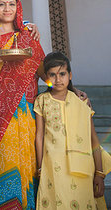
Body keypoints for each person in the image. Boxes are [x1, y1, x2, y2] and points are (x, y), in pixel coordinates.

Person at [0, 0, 46, 209]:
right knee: (4, 163)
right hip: (0, 111)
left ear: (19, 8)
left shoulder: (28, 36)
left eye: (12, 4)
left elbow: (48, 74)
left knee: (28, 164)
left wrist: (72, 91)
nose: (7, 8)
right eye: (2, 4)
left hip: (26, 113)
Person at [34, 51, 111, 210]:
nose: (58, 79)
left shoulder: (81, 102)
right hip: (52, 167)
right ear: (47, 79)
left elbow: (93, 139)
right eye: (52, 75)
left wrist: (99, 173)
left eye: (62, 74)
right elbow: (39, 137)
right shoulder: (42, 101)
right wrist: (40, 167)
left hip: (81, 168)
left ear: (70, 75)